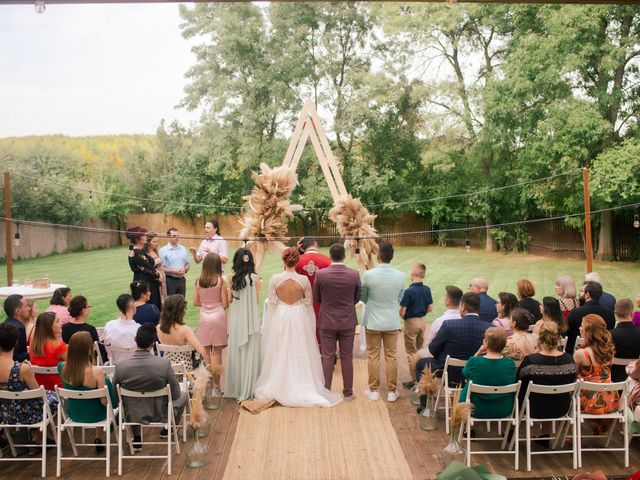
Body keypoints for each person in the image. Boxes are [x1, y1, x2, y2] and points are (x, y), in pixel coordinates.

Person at [254, 248, 342, 407]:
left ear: (283, 261)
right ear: (296, 262)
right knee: (299, 349)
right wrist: (306, 318)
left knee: (280, 349)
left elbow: (272, 303)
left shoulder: (275, 278)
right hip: (298, 316)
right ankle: (302, 383)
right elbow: (309, 302)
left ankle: (279, 383)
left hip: (281, 316)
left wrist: (274, 321)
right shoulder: (304, 280)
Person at [113, 324, 189, 451]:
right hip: (160, 414)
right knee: (184, 394)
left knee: (130, 402)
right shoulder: (163, 364)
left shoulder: (120, 367)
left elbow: (117, 397)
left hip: (132, 414)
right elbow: (176, 395)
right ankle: (169, 427)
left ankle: (137, 437)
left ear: (135, 339)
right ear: (153, 343)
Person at [415, 292, 489, 410]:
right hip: (475, 373)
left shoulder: (449, 325)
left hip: (449, 373)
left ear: (463, 307)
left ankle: (425, 405)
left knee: (421, 364)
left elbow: (433, 349)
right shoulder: (488, 327)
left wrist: (442, 356)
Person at [313, 244, 361, 400]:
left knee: (327, 356)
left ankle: (326, 391)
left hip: (327, 321)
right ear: (344, 256)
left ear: (330, 256)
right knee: (347, 356)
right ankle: (348, 392)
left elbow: (316, 298)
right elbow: (357, 298)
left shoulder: (321, 275)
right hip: (347, 320)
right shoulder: (354, 274)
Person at [58, 331, 118, 452]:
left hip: (75, 414)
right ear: (89, 350)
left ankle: (98, 437)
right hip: (96, 415)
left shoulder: (61, 367)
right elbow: (104, 402)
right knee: (108, 389)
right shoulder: (97, 372)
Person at [361, 242, 405, 402]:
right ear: (392, 257)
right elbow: (400, 298)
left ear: (378, 256)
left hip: (373, 320)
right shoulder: (400, 276)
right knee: (391, 356)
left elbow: (363, 297)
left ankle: (374, 390)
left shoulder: (369, 275)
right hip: (391, 321)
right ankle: (392, 391)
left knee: (373, 355)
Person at [0, 324, 58, 432]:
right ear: (16, 342)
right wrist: (28, 372)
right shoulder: (22, 369)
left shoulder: (21, 368)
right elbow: (40, 396)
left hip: (6, 414)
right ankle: (41, 436)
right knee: (56, 398)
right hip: (29, 415)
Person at [517, 322, 578, 421]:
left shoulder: (531, 361)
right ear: (558, 339)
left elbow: (519, 382)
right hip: (560, 408)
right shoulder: (569, 360)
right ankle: (546, 431)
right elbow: (572, 381)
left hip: (533, 409)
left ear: (540, 339)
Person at [224, 248, 261, 401]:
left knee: (237, 351)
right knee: (251, 350)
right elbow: (257, 301)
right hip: (251, 318)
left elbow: (230, 300)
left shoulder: (232, 277)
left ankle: (237, 387)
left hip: (238, 317)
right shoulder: (256, 278)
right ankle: (251, 385)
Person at [574, 314, 619, 430]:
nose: (579, 328)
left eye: (581, 326)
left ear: (589, 331)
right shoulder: (609, 351)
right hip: (611, 400)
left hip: (590, 402)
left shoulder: (581, 354)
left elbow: (572, 376)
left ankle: (569, 434)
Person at [460, 327, 516, 419]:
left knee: (466, 385)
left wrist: (478, 352)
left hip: (474, 409)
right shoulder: (510, 364)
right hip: (503, 409)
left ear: (486, 343)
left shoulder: (474, 361)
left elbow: (465, 373)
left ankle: (468, 428)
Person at [194, 253, 229, 386]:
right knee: (218, 351)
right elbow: (225, 304)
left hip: (205, 317)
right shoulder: (221, 281)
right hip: (218, 316)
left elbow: (196, 302)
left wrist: (206, 304)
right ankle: (217, 385)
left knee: (206, 350)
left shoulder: (198, 280)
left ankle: (208, 384)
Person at [295, 237, 331, 347]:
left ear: (302, 247)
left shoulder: (297, 260)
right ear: (316, 244)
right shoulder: (327, 260)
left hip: (302, 301)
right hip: (322, 301)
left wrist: (297, 252)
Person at [157, 294, 208, 371]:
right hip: (186, 369)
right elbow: (202, 351)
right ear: (179, 312)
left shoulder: (158, 328)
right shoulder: (185, 330)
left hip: (167, 369)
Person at [566, 281, 616, 354]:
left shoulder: (575, 312)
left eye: (583, 292)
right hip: (601, 352)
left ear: (587, 295)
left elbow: (568, 332)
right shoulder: (609, 313)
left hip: (577, 351)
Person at [399, 263, 433, 368]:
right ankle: (422, 375)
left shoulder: (408, 291)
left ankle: (414, 379)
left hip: (411, 322)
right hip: (423, 321)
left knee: (411, 352)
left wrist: (405, 318)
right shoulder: (427, 289)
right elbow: (430, 308)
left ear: (413, 273)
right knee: (420, 350)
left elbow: (402, 311)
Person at [29, 312, 67, 391]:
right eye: (57, 321)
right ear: (49, 327)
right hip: (61, 389)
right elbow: (74, 368)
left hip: (41, 389)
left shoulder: (33, 345)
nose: (61, 323)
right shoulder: (59, 346)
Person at [126, 226, 161, 310]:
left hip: (150, 281)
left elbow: (151, 263)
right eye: (144, 235)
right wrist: (158, 275)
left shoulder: (142, 250)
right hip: (144, 283)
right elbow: (147, 269)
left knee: (155, 305)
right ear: (137, 238)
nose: (146, 237)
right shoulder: (135, 253)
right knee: (147, 306)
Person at [61, 295, 105, 363]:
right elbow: (98, 350)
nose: (90, 309)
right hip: (87, 363)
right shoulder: (90, 329)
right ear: (83, 310)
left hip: (71, 363)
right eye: (88, 307)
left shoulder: (64, 327)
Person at [609, 299, 640, 382]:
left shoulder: (610, 335)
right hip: (635, 379)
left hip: (612, 379)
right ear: (632, 314)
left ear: (615, 314)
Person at [103, 294, 140, 364]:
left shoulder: (109, 326)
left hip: (115, 367)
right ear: (132, 305)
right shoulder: (139, 329)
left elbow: (108, 350)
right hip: (135, 367)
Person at [159, 227, 190, 297]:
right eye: (174, 236)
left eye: (177, 236)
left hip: (181, 280)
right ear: (168, 237)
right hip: (170, 281)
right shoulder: (163, 251)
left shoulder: (183, 248)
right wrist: (175, 271)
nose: (176, 238)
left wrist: (185, 269)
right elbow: (161, 268)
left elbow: (187, 264)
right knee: (171, 304)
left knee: (181, 303)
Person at [3, 294, 30, 362]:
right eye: (26, 306)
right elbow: (15, 356)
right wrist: (33, 353)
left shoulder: (6, 323)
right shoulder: (18, 328)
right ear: (18, 311)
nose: (29, 308)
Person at [145, 232, 167, 304]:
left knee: (163, 299)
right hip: (155, 279)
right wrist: (156, 261)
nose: (156, 243)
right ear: (148, 242)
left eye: (157, 241)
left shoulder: (156, 251)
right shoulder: (145, 253)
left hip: (162, 279)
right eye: (154, 242)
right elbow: (147, 266)